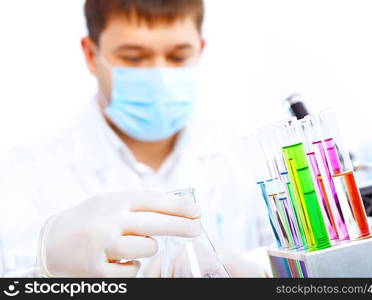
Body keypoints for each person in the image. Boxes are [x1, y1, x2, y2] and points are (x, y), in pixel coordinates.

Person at [0, 0, 272, 277]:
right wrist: (47, 258)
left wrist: (259, 272)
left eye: (178, 57)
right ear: (91, 54)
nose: (160, 75)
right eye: (133, 57)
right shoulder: (29, 170)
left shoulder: (240, 155)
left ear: (200, 50)